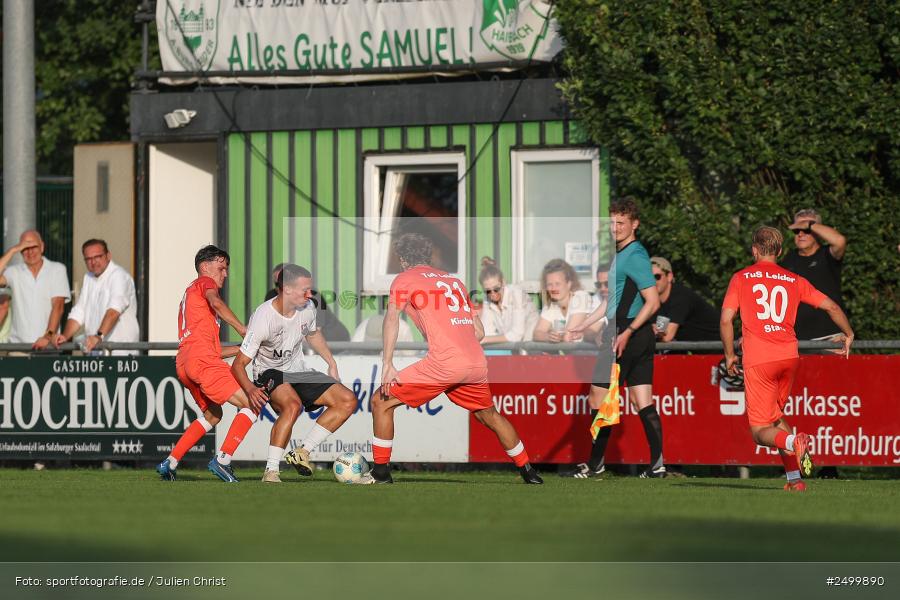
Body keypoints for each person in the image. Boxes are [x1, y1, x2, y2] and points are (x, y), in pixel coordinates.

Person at [367, 233, 543, 484]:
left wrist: (387, 364)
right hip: (475, 362)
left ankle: (381, 473)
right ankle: (529, 471)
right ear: (428, 256)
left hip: (444, 363)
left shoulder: (404, 279)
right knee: (489, 415)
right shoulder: (454, 281)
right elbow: (479, 332)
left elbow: (392, 319)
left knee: (380, 402)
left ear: (404, 260)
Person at [720, 226, 853, 492]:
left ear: (754, 250)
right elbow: (831, 306)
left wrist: (730, 355)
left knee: (760, 432)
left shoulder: (742, 277)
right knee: (775, 418)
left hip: (760, 359)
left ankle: (794, 442)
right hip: (789, 356)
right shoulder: (793, 279)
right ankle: (795, 480)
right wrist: (848, 333)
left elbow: (725, 319)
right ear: (780, 252)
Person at [231, 264, 358, 483]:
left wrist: (331, 362)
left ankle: (303, 452)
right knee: (292, 406)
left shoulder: (308, 307)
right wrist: (250, 389)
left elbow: (312, 334)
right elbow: (238, 364)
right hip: (268, 371)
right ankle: (271, 471)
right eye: (305, 289)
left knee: (347, 400)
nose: (310, 294)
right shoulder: (263, 317)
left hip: (297, 370)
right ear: (287, 289)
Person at [567, 197, 664, 478]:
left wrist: (627, 333)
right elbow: (611, 302)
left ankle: (595, 464)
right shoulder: (622, 256)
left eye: (622, 222)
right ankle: (657, 465)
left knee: (598, 398)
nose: (616, 227)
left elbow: (653, 301)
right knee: (641, 400)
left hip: (626, 334)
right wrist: (582, 323)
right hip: (633, 333)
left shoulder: (634, 255)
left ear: (635, 224)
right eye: (613, 222)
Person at [156, 245, 264, 483]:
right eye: (221, 267)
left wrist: (245, 348)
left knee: (213, 414)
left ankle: (170, 462)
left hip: (185, 363)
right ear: (205, 267)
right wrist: (243, 329)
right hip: (201, 362)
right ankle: (223, 460)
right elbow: (217, 303)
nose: (225, 274)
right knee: (252, 404)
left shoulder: (190, 296)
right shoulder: (205, 284)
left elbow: (211, 350)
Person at [53, 239, 140, 355]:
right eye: (88, 259)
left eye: (97, 257)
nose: (93, 262)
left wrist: (98, 336)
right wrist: (64, 336)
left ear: (108, 256)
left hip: (120, 354)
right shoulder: (88, 277)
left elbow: (114, 311)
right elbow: (79, 312)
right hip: (96, 354)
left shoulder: (119, 276)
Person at [780, 209, 848, 342]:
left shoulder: (827, 255)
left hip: (831, 337)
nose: (800, 234)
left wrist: (810, 225)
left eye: (806, 230)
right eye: (796, 230)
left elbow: (840, 240)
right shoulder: (788, 260)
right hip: (797, 341)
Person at [0, 230, 70, 349]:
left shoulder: (57, 269)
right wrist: (13, 250)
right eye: (25, 248)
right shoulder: (13, 272)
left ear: (42, 247)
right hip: (18, 349)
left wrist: (47, 337)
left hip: (47, 348)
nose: (30, 251)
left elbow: (58, 307)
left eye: (33, 246)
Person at [265, 263, 350, 342]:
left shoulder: (312, 296)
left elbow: (313, 333)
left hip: (337, 345)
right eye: (278, 284)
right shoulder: (272, 297)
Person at [650, 256, 719, 344]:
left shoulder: (681, 296)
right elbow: (660, 332)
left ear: (669, 276)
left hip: (720, 349)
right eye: (648, 277)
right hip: (698, 351)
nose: (652, 281)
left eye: (657, 277)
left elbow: (667, 337)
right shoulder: (654, 301)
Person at [477, 256, 538, 345]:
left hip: (533, 345)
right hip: (515, 346)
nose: (492, 293)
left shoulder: (517, 295)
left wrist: (485, 339)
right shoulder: (487, 300)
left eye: (496, 288)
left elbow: (517, 334)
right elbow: (487, 331)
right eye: (488, 290)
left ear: (504, 282)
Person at [531, 259, 591, 343]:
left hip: (589, 354)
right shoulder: (551, 304)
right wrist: (548, 336)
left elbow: (568, 336)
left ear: (569, 284)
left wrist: (556, 337)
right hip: (570, 354)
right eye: (549, 284)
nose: (553, 288)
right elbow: (536, 334)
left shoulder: (580, 297)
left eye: (557, 284)